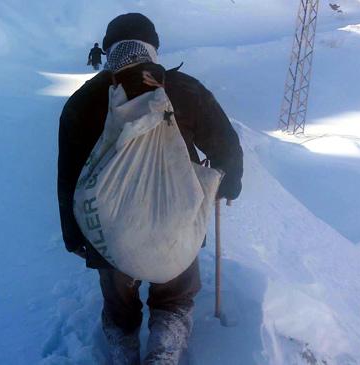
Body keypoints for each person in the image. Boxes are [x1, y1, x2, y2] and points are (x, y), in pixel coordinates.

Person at [57, 13, 243, 365]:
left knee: (119, 304)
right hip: (175, 219)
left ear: (109, 50)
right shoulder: (184, 89)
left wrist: (74, 236)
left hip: (109, 229)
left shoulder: (83, 101)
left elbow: (69, 176)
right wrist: (227, 183)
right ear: (153, 48)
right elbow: (225, 145)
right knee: (174, 298)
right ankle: (164, 353)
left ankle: (124, 351)